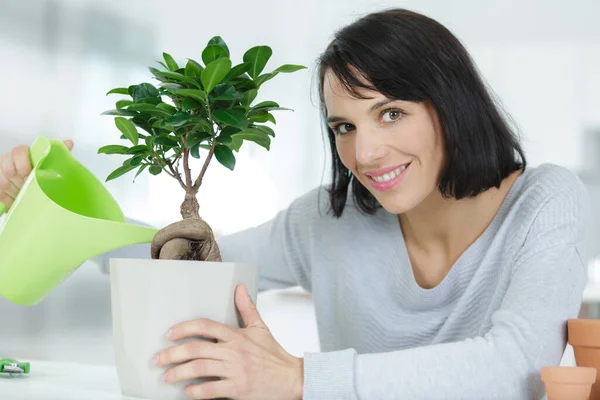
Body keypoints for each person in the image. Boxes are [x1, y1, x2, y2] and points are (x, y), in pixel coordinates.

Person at [0, 8, 590, 400]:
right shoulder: (328, 221)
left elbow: (518, 365)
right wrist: (48, 208)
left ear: (451, 104)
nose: (365, 151)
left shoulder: (545, 202)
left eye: (390, 113)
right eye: (343, 126)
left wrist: (301, 378)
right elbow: (190, 258)